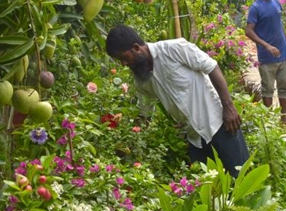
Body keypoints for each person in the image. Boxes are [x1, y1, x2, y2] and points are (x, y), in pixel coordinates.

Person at [105, 25, 250, 178]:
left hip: (220, 124)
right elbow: (145, 113)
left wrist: (229, 108)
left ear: (136, 48)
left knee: (242, 178)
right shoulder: (141, 81)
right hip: (194, 140)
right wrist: (128, 143)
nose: (123, 64)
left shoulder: (174, 49)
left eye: (124, 58)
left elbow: (212, 67)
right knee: (212, 192)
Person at [245, 0, 286, 123]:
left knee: (285, 86)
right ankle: (270, 120)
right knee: (268, 89)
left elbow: (279, 24)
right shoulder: (256, 8)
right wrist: (267, 46)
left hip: (283, 53)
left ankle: (283, 118)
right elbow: (248, 31)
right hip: (267, 57)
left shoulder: (276, 3)